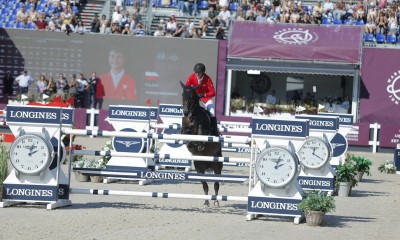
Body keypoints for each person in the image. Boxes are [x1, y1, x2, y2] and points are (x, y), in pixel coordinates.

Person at [185, 63, 218, 137]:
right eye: (195, 72)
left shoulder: (208, 79)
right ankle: (183, 128)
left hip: (205, 98)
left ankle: (214, 130)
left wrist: (204, 94)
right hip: (194, 98)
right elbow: (186, 88)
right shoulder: (192, 77)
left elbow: (213, 92)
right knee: (185, 110)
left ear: (203, 72)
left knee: (212, 111)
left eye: (198, 72)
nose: (196, 73)